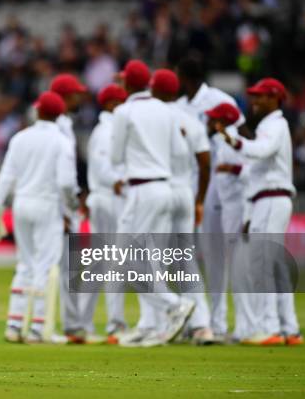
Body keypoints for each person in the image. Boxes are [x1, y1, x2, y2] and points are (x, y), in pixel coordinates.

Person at [111, 60, 195, 347]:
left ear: (127, 84)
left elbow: (114, 157)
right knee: (149, 261)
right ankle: (149, 324)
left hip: (142, 190)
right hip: (166, 187)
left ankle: (174, 304)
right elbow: (179, 152)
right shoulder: (167, 111)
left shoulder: (124, 111)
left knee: (127, 259)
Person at [0, 91, 78, 344]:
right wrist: (71, 210)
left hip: (22, 204)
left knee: (24, 263)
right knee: (44, 266)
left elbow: (6, 176)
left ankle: (13, 325)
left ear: (38, 112)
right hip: (48, 205)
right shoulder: (62, 142)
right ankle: (37, 329)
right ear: (59, 114)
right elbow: (67, 184)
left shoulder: (20, 138)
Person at [214, 78, 303, 346]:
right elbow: (255, 170)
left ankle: (269, 328)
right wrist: (249, 214)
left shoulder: (275, 124)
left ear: (275, 98)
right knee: (274, 265)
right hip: (267, 198)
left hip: (272, 197)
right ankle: (290, 328)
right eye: (253, 96)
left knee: (262, 262)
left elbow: (261, 151)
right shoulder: (271, 125)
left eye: (260, 97)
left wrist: (234, 142)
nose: (254, 102)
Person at [176, 54, 246, 341]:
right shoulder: (177, 106)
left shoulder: (220, 100)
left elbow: (240, 135)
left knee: (215, 254)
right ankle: (192, 319)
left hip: (216, 180)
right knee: (182, 255)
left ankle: (217, 322)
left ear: (187, 78)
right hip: (186, 181)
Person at [149, 69, 214, 345]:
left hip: (160, 190)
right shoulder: (191, 120)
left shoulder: (150, 118)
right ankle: (202, 325)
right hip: (185, 192)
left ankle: (168, 321)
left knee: (155, 258)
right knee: (185, 260)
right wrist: (199, 197)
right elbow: (205, 162)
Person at [80, 84, 128, 344]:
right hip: (109, 197)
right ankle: (114, 325)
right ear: (111, 104)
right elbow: (101, 166)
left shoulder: (108, 129)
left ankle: (82, 324)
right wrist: (119, 181)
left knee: (100, 263)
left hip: (106, 197)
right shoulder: (106, 130)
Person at [49, 73, 88, 343]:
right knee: (60, 268)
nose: (79, 97)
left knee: (69, 269)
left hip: (63, 204)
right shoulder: (59, 126)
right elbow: (58, 173)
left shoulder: (64, 124)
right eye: (75, 93)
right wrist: (65, 209)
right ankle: (54, 325)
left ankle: (72, 325)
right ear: (63, 97)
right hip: (58, 206)